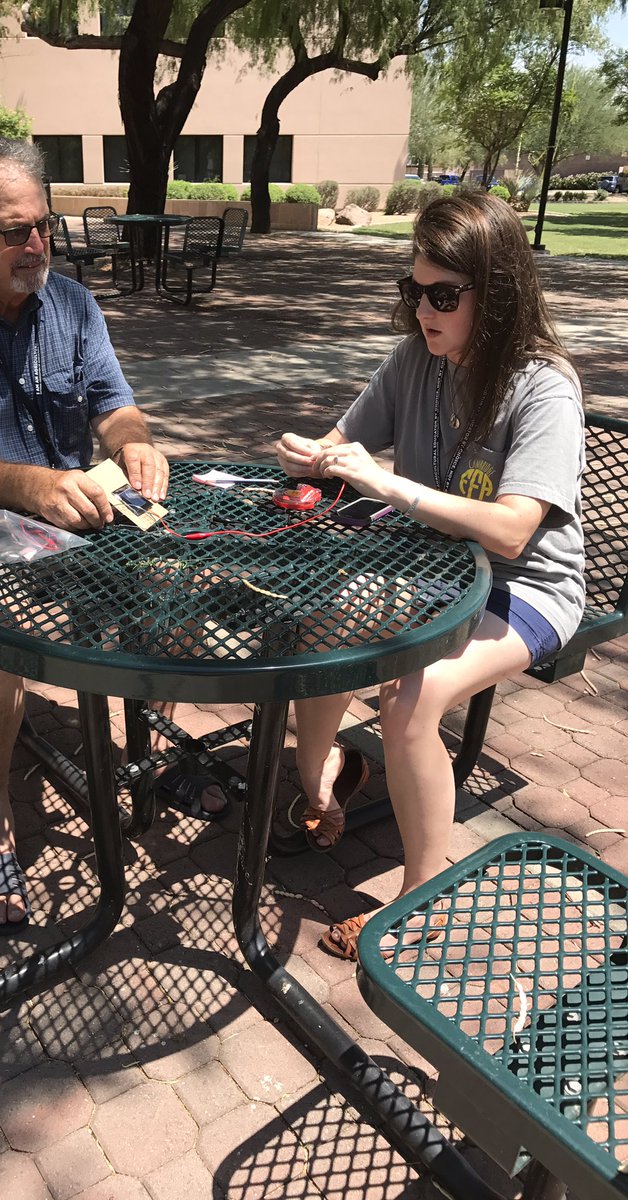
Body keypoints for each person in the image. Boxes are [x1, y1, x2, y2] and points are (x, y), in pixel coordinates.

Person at [0, 134, 226, 936]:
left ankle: (152, 754)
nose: (35, 245)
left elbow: (114, 402)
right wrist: (33, 485)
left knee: (174, 579)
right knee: (2, 631)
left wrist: (134, 440)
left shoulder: (70, 304)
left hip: (72, 513)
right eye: (13, 231)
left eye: (43, 225)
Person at [275, 191, 585, 961]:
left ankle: (424, 897)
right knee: (321, 615)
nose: (422, 310)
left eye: (443, 295)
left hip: (527, 588)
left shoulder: (544, 385)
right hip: (433, 566)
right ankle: (322, 786)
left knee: (413, 692)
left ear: (499, 293)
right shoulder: (418, 356)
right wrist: (313, 455)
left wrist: (389, 486)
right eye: (414, 291)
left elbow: (516, 529)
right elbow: (344, 438)